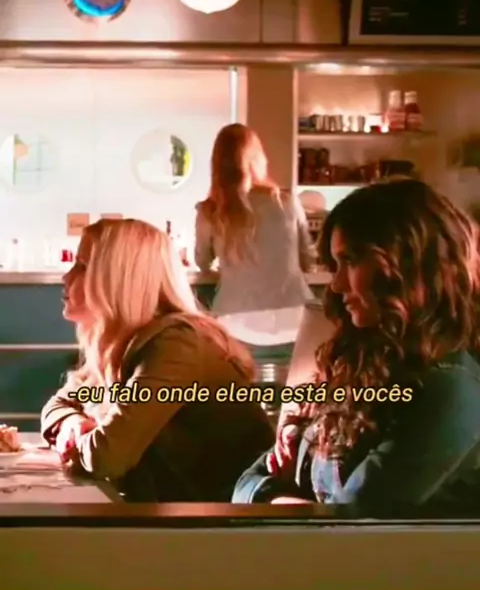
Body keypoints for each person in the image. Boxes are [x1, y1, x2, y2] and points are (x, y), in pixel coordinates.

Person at [233, 177, 480, 517]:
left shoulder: (449, 388)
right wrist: (279, 494)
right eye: (335, 266)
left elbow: (353, 525)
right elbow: (245, 485)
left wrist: (278, 499)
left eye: (349, 261)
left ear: (406, 264)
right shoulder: (357, 366)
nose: (336, 285)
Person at [40, 218, 273, 502]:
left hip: (227, 517)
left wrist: (77, 441)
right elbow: (56, 407)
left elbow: (107, 457)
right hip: (171, 508)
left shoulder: (176, 344)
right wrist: (74, 424)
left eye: (82, 266)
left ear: (118, 280)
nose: (66, 277)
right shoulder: (119, 340)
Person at [194, 123, 314, 317]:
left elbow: (202, 262)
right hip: (293, 311)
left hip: (237, 314)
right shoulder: (287, 201)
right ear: (258, 158)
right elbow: (307, 258)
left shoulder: (211, 210)